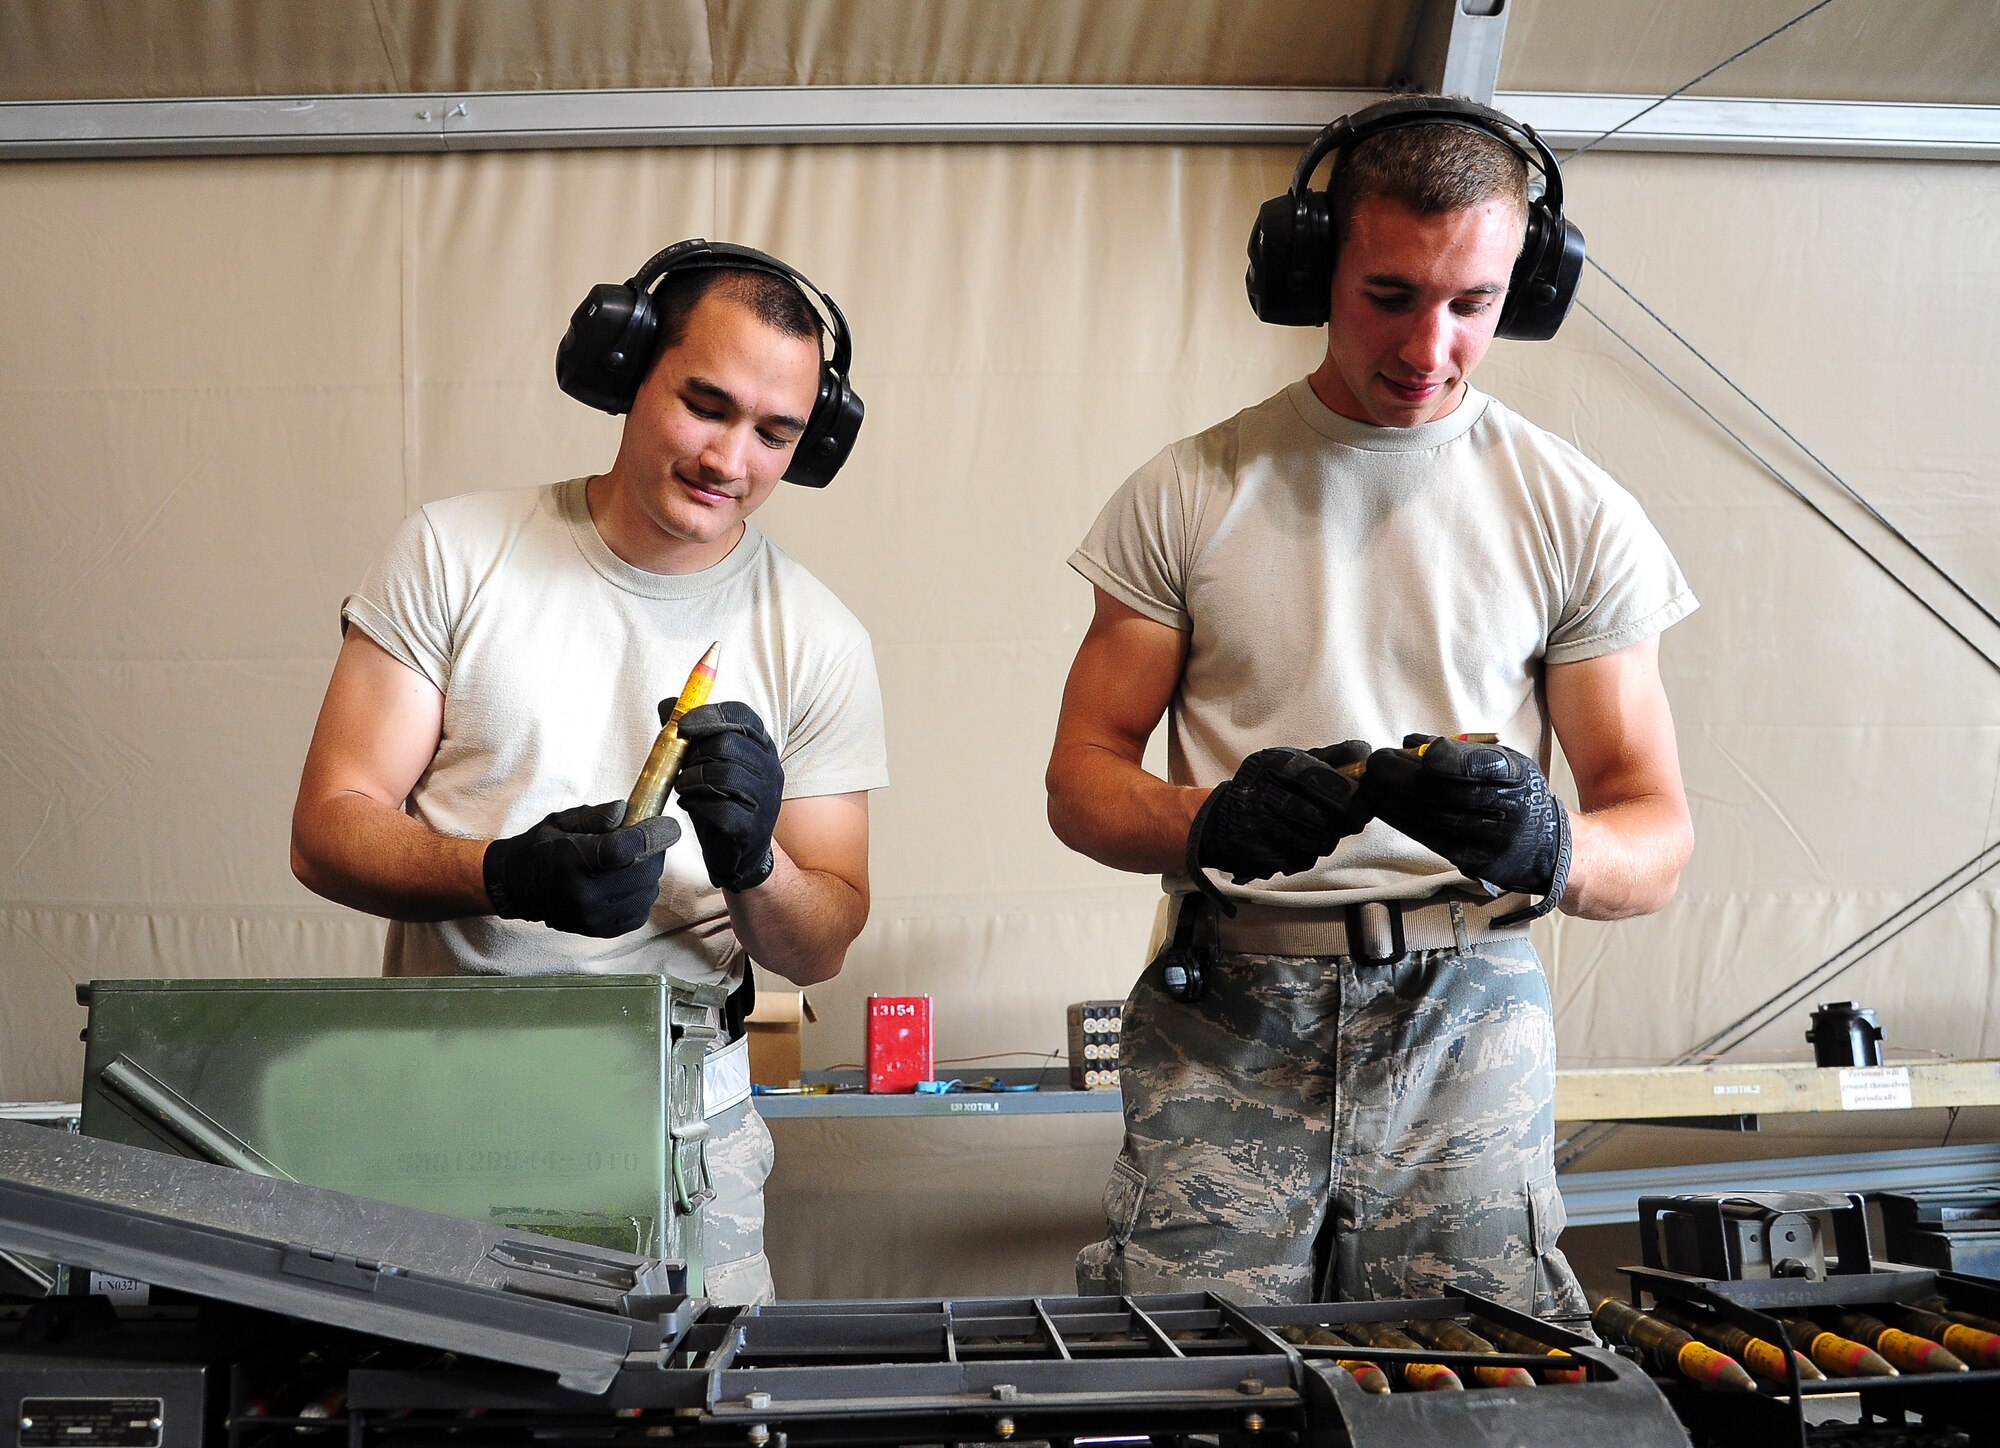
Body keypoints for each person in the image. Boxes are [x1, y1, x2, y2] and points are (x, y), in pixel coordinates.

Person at [1044, 97, 1696, 1317]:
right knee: (1201, 1379)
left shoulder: (1575, 510)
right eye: (1388, 294)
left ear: (1525, 288)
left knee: (1477, 1388)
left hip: (1468, 1025)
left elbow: (1651, 832)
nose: (1429, 345)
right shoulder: (1187, 491)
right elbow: (1079, 777)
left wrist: (1551, 846)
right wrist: (1205, 824)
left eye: (1472, 304)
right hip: (1224, 1011)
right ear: (1310, 267)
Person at [291, 241, 888, 1306]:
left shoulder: (823, 637)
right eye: (705, 405)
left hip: (680, 1123)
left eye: (773, 433)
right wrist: (503, 874)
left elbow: (827, 936)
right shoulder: (452, 550)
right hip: (440, 1098)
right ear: (627, 371)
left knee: (686, 1415)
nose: (730, 459)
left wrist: (755, 863)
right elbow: (327, 827)